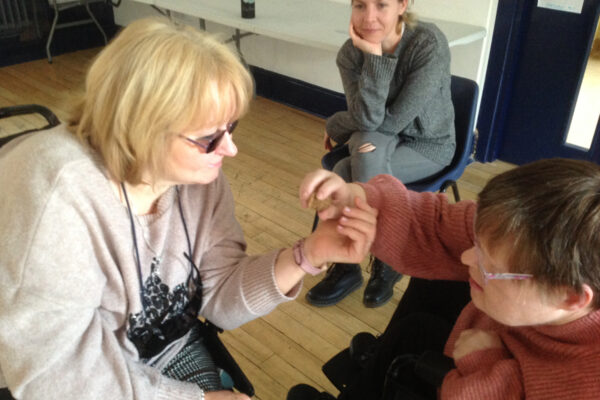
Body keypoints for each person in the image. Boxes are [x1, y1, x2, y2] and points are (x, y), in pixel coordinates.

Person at [0, 18, 377, 400]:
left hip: (157, 352)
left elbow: (219, 300)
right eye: (209, 137)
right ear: (139, 127)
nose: (230, 149)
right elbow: (59, 376)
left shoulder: (199, 184)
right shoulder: (57, 197)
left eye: (231, 128)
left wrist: (309, 254)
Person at [290, 158, 600, 399]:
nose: (468, 256)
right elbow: (438, 225)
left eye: (488, 263)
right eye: (476, 244)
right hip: (478, 341)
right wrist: (358, 203)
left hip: (475, 375)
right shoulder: (528, 245)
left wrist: (482, 366)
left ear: (570, 297)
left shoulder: (585, 383)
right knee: (431, 289)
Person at [307, 0, 455, 309]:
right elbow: (366, 119)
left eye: (381, 5)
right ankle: (370, 260)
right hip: (377, 138)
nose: (369, 17)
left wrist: (335, 124)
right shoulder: (350, 54)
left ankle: (373, 259)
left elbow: (391, 120)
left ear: (403, 4)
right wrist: (372, 56)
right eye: (359, 5)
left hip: (428, 145)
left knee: (348, 170)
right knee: (355, 158)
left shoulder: (427, 43)